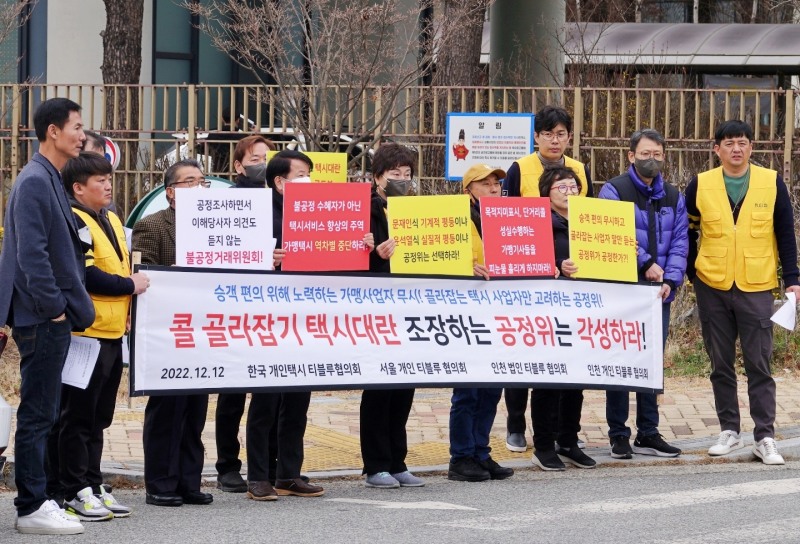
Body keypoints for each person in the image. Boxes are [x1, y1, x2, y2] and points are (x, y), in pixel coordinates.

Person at [0, 97, 94, 535]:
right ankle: (32, 506)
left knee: (46, 411)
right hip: (41, 318)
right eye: (76, 126)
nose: (82, 133)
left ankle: (39, 501)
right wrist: (54, 308)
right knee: (38, 414)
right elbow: (31, 255)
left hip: (47, 316)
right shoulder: (36, 180)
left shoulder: (50, 178)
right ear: (52, 131)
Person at [686, 120, 800, 465]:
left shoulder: (771, 182)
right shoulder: (700, 184)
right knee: (720, 363)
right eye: (730, 143)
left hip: (756, 285)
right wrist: (694, 273)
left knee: (759, 364)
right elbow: (688, 229)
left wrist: (792, 278)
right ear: (716, 148)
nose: (737, 149)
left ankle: (764, 436)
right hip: (713, 284)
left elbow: (785, 231)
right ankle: (729, 430)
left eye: (743, 143)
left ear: (751, 148)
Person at [215, 148, 326, 502]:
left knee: (297, 399)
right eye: (301, 175)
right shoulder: (255, 213)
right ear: (280, 182)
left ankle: (288, 474)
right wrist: (266, 257)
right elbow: (227, 254)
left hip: (306, 316)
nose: (309, 181)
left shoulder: (319, 212)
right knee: (266, 399)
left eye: (311, 175)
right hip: (267, 317)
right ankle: (258, 475)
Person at [51, 152, 150, 521]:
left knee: (98, 418)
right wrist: (130, 285)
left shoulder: (109, 217)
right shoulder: (73, 220)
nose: (107, 185)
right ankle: (72, 488)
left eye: (108, 179)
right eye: (99, 181)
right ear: (78, 188)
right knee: (76, 418)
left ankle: (92, 484)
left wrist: (126, 305)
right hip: (84, 335)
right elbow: (86, 276)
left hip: (111, 334)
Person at [502, 104, 593, 453]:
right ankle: (515, 423)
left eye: (561, 134)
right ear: (536, 136)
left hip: (571, 280)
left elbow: (587, 219)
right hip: (528, 277)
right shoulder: (519, 168)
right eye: (547, 134)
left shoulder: (578, 169)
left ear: (569, 136)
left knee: (567, 356)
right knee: (525, 353)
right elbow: (504, 220)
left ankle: (563, 431)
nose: (554, 140)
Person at [598, 128, 687, 459]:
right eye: (645, 153)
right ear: (631, 156)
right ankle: (618, 433)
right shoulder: (614, 191)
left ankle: (648, 431)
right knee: (620, 359)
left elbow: (680, 241)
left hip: (657, 293)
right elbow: (610, 235)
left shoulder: (674, 196)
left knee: (651, 362)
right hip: (623, 290)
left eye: (658, 154)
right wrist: (646, 263)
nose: (652, 159)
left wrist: (672, 280)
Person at [132, 159, 214, 506]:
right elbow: (146, 270)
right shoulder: (153, 225)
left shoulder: (220, 225)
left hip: (207, 328)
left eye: (202, 182)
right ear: (171, 193)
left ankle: (189, 482)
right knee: (168, 408)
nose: (198, 187)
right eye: (189, 182)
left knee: (196, 409)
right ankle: (160, 484)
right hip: (169, 329)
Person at [360, 142, 424, 488]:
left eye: (406, 174)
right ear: (377, 177)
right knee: (380, 386)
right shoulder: (365, 211)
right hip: (378, 307)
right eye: (394, 174)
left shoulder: (415, 211)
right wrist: (374, 254)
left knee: (405, 384)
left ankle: (398, 461)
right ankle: (375, 465)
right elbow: (349, 260)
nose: (401, 180)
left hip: (410, 306)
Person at [447, 164, 514, 482]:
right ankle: (460, 457)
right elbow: (434, 259)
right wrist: (465, 267)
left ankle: (481, 452)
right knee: (468, 390)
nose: (492, 188)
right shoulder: (452, 218)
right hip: (466, 312)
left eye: (496, 183)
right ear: (468, 189)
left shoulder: (510, 218)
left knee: (491, 388)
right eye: (484, 183)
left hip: (499, 311)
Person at [528, 166, 597, 471]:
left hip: (582, 308)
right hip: (547, 308)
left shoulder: (591, 221)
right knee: (548, 377)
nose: (569, 193)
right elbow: (522, 257)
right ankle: (543, 445)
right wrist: (556, 264)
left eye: (573, 187)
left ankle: (568, 440)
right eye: (562, 188)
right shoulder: (535, 222)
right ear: (547, 192)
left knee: (576, 379)